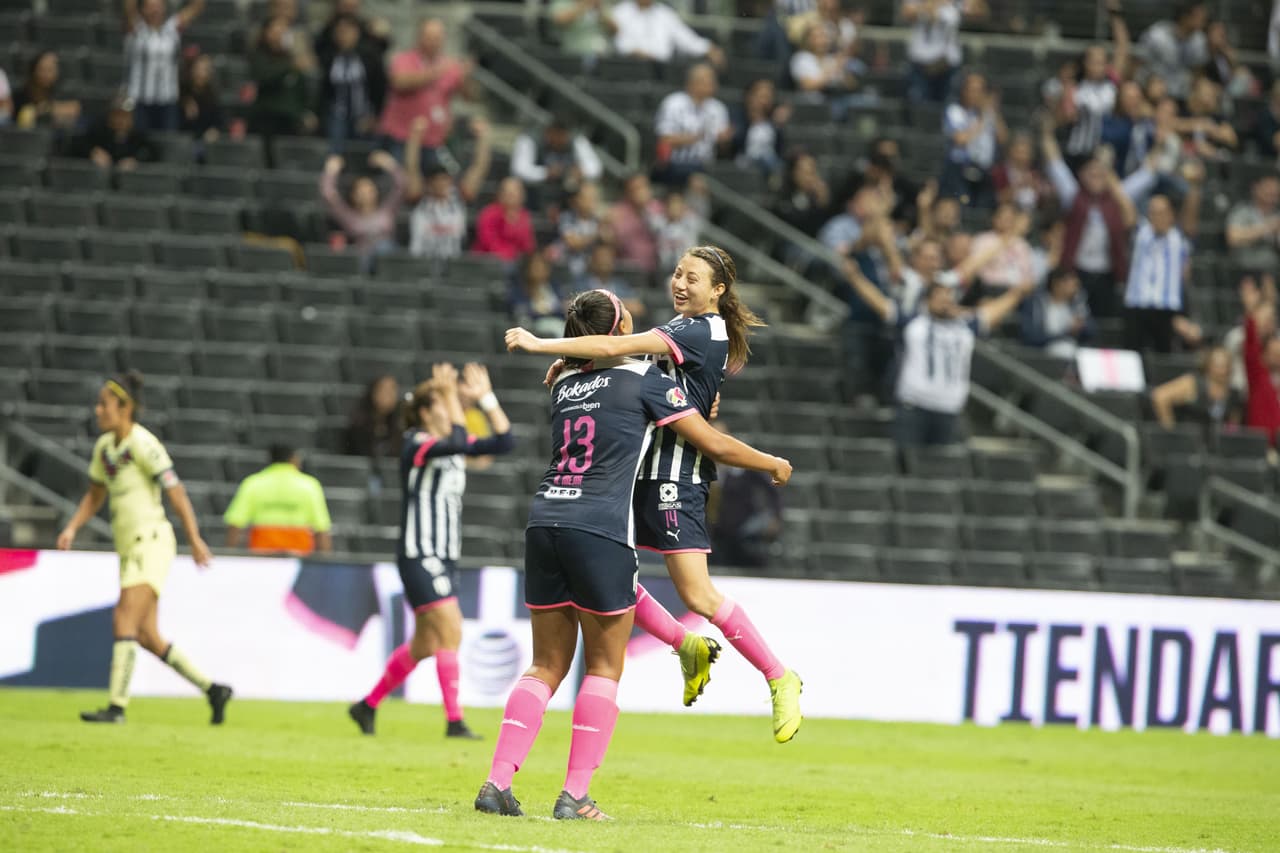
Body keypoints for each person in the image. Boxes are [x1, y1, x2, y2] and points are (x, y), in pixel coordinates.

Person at [477, 288, 791, 821]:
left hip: (545, 519)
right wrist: (770, 463)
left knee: (546, 664)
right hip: (600, 527)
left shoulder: (563, 382)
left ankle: (496, 783)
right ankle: (575, 796)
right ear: (619, 327)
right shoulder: (648, 380)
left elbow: (602, 368)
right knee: (603, 666)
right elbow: (711, 444)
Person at [505, 246, 806, 744]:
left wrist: (543, 346)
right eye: (677, 273)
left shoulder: (697, 328)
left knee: (697, 593)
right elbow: (627, 363)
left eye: (693, 277)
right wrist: (570, 361)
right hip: (638, 474)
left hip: (675, 476)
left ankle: (778, 675)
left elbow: (611, 351)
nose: (680, 283)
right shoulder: (680, 331)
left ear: (718, 290)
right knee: (607, 571)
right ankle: (687, 646)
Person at [56, 371, 232, 725]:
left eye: (103, 403)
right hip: (128, 548)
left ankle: (117, 707)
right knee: (148, 636)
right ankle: (214, 690)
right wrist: (73, 527)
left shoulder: (144, 444)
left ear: (125, 407)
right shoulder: (105, 448)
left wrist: (194, 537)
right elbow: (95, 494)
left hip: (150, 542)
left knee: (123, 617)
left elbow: (175, 491)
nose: (97, 410)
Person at [349, 363, 515, 739]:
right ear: (425, 412)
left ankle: (367, 705)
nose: (451, 410)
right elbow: (457, 439)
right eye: (443, 404)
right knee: (451, 629)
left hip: (443, 556)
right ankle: (454, 721)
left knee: (425, 643)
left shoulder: (453, 445)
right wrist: (455, 400)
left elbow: (505, 442)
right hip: (419, 555)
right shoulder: (417, 443)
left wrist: (485, 400)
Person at [846, 262, 1032, 448]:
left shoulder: (965, 327)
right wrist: (856, 278)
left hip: (949, 410)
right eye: (939, 295)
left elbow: (992, 313)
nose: (945, 299)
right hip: (914, 407)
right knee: (907, 463)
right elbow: (881, 304)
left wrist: (1017, 293)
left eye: (948, 295)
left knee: (942, 469)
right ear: (927, 300)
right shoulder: (914, 322)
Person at [1041, 114, 1154, 319]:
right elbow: (1056, 165)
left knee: (1105, 318)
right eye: (1091, 174)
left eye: (1100, 175)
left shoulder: (1115, 199)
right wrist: (1047, 135)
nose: (1096, 178)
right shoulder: (1074, 195)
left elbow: (1146, 176)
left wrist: (1108, 171)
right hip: (1076, 270)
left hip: (1107, 272)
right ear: (1082, 176)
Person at [1122, 163, 1204, 354]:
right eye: (1152, 212)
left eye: (1161, 212)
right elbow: (1124, 204)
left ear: (1171, 215)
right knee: (1132, 356)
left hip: (1167, 308)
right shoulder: (1141, 233)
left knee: (1164, 358)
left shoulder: (1179, 238)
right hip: (1137, 304)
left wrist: (1194, 186)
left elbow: (1191, 217)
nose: (1156, 216)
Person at [378, 18, 470, 167]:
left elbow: (468, 97)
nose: (433, 42)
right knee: (401, 181)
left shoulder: (449, 64)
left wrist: (466, 78)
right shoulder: (404, 59)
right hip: (401, 137)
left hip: (433, 140)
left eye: (437, 38)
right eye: (429, 37)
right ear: (419, 37)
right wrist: (435, 72)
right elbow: (399, 83)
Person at [407, 116, 491, 264]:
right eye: (436, 180)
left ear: (450, 181)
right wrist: (415, 136)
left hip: (453, 265)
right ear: (429, 183)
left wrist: (483, 138)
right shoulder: (420, 198)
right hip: (420, 264)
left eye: (444, 179)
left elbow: (479, 168)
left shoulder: (459, 197)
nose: (440, 184)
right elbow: (411, 168)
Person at [224, 444, 333, 555]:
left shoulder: (253, 483)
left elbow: (235, 523)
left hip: (262, 555)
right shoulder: (310, 485)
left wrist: (229, 556)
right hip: (298, 556)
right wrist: (325, 562)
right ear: (293, 459)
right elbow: (322, 528)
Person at [709, 421, 784, 569]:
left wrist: (775, 516)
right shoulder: (699, 467)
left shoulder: (740, 462)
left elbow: (771, 487)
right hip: (716, 533)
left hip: (743, 530)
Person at [122, 0, 205, 132]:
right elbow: (129, 7)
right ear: (143, 9)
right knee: (141, 143)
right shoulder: (137, 29)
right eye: (150, 7)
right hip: (140, 99)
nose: (155, 10)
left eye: (158, 6)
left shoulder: (172, 28)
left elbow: (196, 8)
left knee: (167, 142)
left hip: (167, 99)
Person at [320, 151, 406, 271]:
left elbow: (402, 186)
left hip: (388, 261)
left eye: (369, 189)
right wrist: (331, 170)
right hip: (362, 261)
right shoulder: (348, 216)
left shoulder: (387, 210)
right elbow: (328, 195)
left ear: (376, 192)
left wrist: (389, 163)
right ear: (353, 195)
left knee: (384, 246)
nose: (365, 194)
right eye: (360, 190)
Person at [653, 63, 731, 187]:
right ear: (691, 83)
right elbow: (664, 139)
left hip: (707, 164)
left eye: (713, 81)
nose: (712, 84)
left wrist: (725, 140)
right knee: (696, 179)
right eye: (707, 81)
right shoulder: (673, 103)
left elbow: (723, 147)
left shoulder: (718, 108)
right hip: (676, 163)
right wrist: (696, 137)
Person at [318, 13, 387, 154]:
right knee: (335, 154)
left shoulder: (370, 55)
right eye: (340, 32)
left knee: (365, 154)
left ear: (356, 32)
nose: (344, 36)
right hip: (338, 114)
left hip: (364, 113)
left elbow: (380, 88)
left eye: (348, 31)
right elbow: (325, 90)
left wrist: (375, 116)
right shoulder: (330, 56)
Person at [940, 72, 1006, 208]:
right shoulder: (955, 111)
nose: (976, 95)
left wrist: (992, 112)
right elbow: (960, 139)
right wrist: (980, 121)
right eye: (972, 90)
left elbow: (1003, 138)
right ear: (963, 91)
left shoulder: (988, 113)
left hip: (985, 169)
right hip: (960, 168)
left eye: (980, 91)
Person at [249, 15, 318, 139]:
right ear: (266, 33)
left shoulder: (291, 57)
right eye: (276, 30)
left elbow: (300, 90)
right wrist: (291, 66)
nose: (280, 35)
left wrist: (306, 111)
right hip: (267, 118)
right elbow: (264, 77)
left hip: (291, 121)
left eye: (284, 31)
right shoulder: (260, 55)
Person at [510, 117, 603, 206]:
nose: (560, 141)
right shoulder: (530, 139)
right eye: (557, 136)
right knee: (513, 186)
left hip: (564, 195)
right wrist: (546, 173)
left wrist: (581, 172)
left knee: (587, 189)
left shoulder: (576, 140)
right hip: (533, 191)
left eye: (563, 136)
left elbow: (596, 168)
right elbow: (519, 170)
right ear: (549, 132)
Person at [1150, 346, 1243, 433]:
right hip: (1188, 440)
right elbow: (1160, 396)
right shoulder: (1192, 383)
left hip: (1216, 445)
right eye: (1218, 365)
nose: (1224, 370)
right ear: (1208, 365)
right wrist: (1172, 432)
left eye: (1227, 365)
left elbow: (1233, 427)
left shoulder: (1234, 394)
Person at [902, 0, 974, 104]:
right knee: (920, 107)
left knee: (947, 107)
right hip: (921, 61)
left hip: (948, 63)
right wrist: (929, 6)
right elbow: (906, 13)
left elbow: (976, 11)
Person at [611, 0, 725, 66]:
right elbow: (619, 41)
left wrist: (708, 48)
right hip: (628, 65)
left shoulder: (665, 13)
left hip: (660, 69)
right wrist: (633, 51)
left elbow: (685, 38)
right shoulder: (620, 11)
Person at [1137, 1, 1208, 100]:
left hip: (1183, 93)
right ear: (1185, 17)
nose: (1203, 19)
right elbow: (1138, 65)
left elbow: (1198, 71)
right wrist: (1148, 83)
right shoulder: (1157, 35)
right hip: (1154, 90)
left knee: (1206, 91)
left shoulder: (1199, 40)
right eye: (1199, 15)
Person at [1019, 267, 1095, 358]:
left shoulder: (1077, 303)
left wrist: (1082, 326)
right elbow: (1031, 336)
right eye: (1072, 284)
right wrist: (1066, 332)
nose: (1076, 289)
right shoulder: (1036, 303)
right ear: (1057, 284)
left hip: (1073, 350)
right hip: (1042, 354)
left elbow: (1091, 331)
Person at [73, 95, 157, 171]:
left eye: (125, 116)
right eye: (117, 115)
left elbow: (152, 152)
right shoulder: (99, 130)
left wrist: (136, 160)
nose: (121, 120)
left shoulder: (138, 134)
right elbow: (77, 143)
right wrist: (93, 152)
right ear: (110, 116)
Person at [730, 79, 790, 178]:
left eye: (768, 97)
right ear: (750, 96)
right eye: (761, 96)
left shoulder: (774, 123)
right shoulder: (737, 118)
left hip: (768, 162)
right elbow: (735, 144)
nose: (764, 101)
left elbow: (780, 149)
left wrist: (777, 125)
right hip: (743, 160)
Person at [608, 172, 663, 277]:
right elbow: (618, 240)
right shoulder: (619, 211)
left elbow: (662, 233)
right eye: (636, 188)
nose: (640, 192)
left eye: (643, 187)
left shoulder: (656, 207)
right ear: (628, 191)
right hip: (627, 269)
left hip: (654, 269)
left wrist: (644, 209)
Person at [12, 51, 81, 131]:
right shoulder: (22, 93)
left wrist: (45, 109)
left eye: (50, 70)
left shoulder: (64, 90)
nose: (45, 74)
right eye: (42, 69)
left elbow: (74, 108)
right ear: (34, 70)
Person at [1226, 176, 1280, 276]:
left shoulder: (1277, 214)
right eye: (1269, 189)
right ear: (1256, 188)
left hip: (1274, 270)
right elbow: (1233, 238)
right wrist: (1268, 227)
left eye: (1276, 191)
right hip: (1244, 270)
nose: (1273, 194)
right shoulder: (1242, 211)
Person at [472, 177, 536, 261]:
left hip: (516, 263)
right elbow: (489, 243)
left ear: (522, 195)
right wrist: (511, 256)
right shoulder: (489, 214)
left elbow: (528, 246)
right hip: (488, 262)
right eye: (507, 191)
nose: (510, 194)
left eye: (514, 191)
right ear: (500, 194)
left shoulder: (524, 216)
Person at [344, 374, 404, 459]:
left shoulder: (399, 425)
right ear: (373, 392)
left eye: (393, 390)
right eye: (385, 390)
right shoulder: (358, 425)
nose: (390, 395)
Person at [508, 249, 565, 337]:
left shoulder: (553, 287)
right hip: (534, 327)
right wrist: (549, 312)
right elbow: (521, 312)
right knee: (559, 329)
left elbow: (563, 309)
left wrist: (551, 311)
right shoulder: (519, 290)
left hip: (558, 322)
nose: (541, 269)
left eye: (544, 266)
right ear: (528, 268)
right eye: (537, 266)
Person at [555, 181, 604, 280]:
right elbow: (573, 243)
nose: (592, 202)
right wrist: (597, 235)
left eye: (594, 198)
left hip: (592, 273)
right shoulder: (567, 217)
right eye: (587, 198)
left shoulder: (598, 220)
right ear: (577, 199)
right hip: (570, 271)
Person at [991, 132, 1048, 214]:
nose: (1023, 156)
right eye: (1020, 152)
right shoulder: (999, 172)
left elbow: (1042, 202)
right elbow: (997, 199)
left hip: (1032, 216)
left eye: (1026, 153)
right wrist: (1019, 185)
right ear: (1011, 151)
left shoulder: (1034, 175)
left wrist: (1038, 189)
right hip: (1007, 215)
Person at [550, 0, 616, 68]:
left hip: (603, 56)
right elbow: (560, 21)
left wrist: (600, 10)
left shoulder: (601, 3)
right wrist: (584, 4)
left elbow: (615, 30)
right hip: (574, 56)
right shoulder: (563, 2)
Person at [179, 53, 225, 141]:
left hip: (205, 142)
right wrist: (184, 102)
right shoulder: (182, 93)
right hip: (184, 141)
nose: (199, 73)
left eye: (204, 70)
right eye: (197, 69)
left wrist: (214, 130)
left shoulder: (213, 96)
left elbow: (219, 123)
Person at [654, 191, 701, 274]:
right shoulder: (660, 223)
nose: (674, 207)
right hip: (664, 268)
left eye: (678, 203)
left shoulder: (690, 222)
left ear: (683, 206)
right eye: (671, 204)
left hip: (688, 266)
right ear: (666, 207)